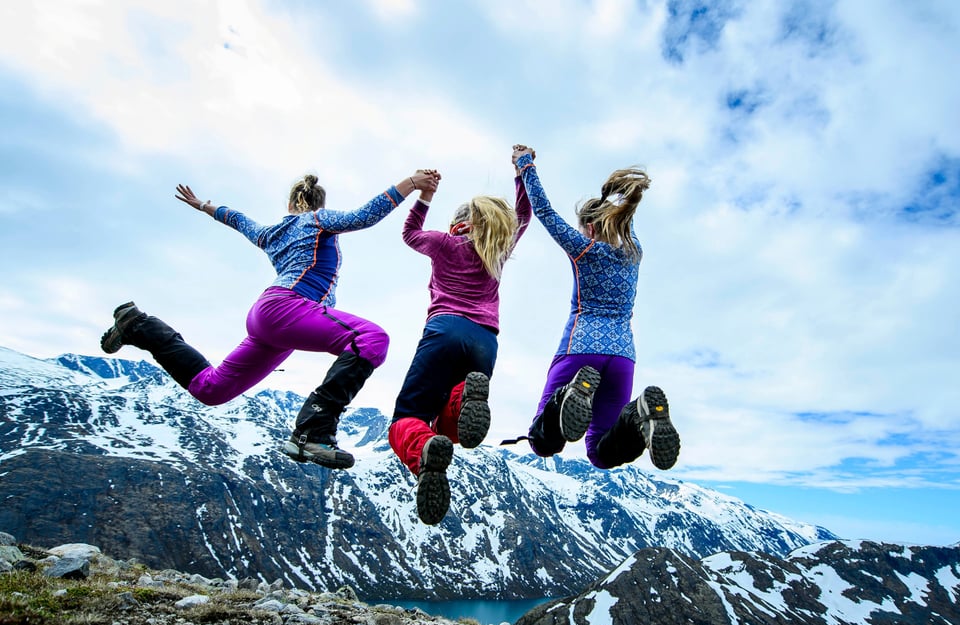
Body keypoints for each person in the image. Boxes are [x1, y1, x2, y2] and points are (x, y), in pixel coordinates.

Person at [100, 170, 439, 470]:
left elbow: (237, 219)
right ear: (314, 203)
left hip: (270, 319)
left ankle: (139, 326)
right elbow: (364, 216)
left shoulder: (270, 233)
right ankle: (314, 431)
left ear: (292, 202)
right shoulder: (317, 220)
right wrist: (410, 184)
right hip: (289, 307)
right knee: (371, 339)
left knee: (212, 389)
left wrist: (204, 206)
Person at [510, 145, 680, 472]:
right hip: (622, 357)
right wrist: (618, 202)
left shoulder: (583, 250)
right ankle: (638, 415)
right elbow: (623, 223)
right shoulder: (634, 252)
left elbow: (544, 211)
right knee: (601, 452)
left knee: (541, 441)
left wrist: (525, 165)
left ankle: (568, 396)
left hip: (580, 348)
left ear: (588, 228)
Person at [388, 156, 531, 525]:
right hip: (485, 341)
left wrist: (423, 197)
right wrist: (522, 173)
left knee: (408, 418)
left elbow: (408, 235)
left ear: (456, 224)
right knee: (450, 430)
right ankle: (464, 395)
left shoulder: (443, 242)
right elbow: (525, 216)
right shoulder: (496, 247)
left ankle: (422, 452)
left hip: (444, 331)